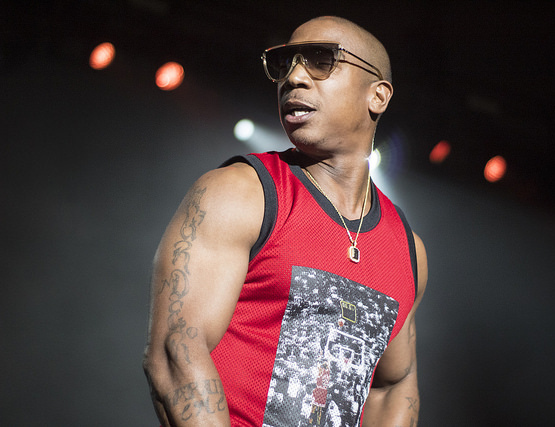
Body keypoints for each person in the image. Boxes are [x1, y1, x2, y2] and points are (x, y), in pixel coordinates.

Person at [143, 15, 428, 426]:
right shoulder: (240, 193)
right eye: (284, 64)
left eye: (320, 60)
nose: (293, 77)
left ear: (378, 96)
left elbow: (394, 385)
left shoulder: (408, 250)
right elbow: (176, 353)